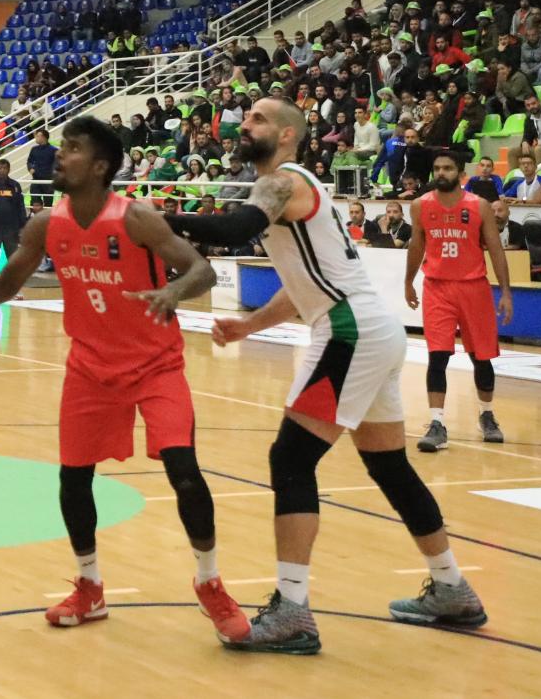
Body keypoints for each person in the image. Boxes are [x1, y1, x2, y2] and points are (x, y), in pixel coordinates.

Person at [169, 97, 488, 653]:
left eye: (259, 118)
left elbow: (233, 227)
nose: (245, 124)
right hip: (372, 329)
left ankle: (292, 610)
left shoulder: (283, 183)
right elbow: (302, 287)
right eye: (245, 119)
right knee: (389, 466)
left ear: (289, 135)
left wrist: (152, 217)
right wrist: (249, 328)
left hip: (349, 333)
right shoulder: (290, 189)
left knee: (290, 460)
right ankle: (452, 588)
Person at [0, 116, 248, 641]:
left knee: (185, 472)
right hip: (89, 367)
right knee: (73, 478)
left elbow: (203, 270)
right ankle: (90, 586)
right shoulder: (45, 224)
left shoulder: (137, 219)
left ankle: (210, 582)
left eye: (73, 148)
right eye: (63, 146)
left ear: (100, 167)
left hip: (155, 365)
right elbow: (5, 286)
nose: (61, 155)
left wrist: (172, 293)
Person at [406, 152, 516, 452]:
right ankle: (437, 423)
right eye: (437, 168)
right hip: (437, 288)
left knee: (481, 357)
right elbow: (416, 245)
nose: (442, 172)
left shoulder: (478, 206)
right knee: (437, 356)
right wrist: (407, 282)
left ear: (460, 172)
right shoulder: (420, 205)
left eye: (448, 168)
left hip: (473, 288)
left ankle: (487, 415)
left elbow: (495, 250)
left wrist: (505, 292)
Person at [26, 127, 57, 209]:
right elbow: (29, 161)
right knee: (34, 201)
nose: (36, 137)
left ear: (44, 137)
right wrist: (30, 168)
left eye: (37, 136)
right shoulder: (34, 149)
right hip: (36, 180)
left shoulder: (54, 150)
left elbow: (57, 164)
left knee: (48, 204)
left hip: (48, 181)